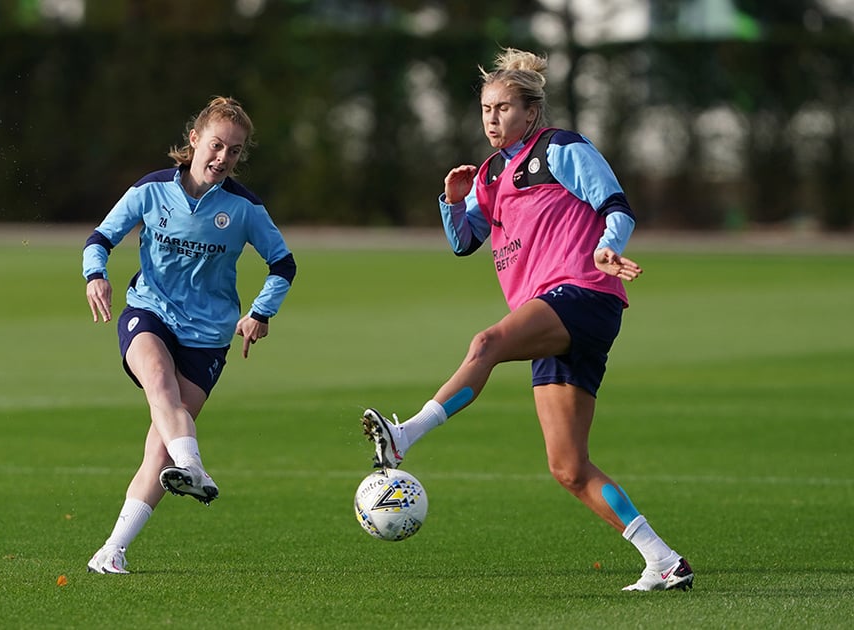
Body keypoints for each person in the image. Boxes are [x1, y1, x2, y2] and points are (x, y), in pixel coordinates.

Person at [360, 48, 693, 592]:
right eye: (486, 109)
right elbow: (465, 243)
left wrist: (607, 249)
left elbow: (617, 206)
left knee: (486, 342)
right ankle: (661, 559)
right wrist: (452, 201)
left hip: (583, 295)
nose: (492, 119)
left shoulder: (560, 148)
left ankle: (405, 435)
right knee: (567, 467)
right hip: (551, 313)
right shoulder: (490, 174)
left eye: (504, 108)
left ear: (531, 111)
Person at [83, 96, 296, 574]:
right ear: (195, 139)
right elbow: (101, 237)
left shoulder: (243, 208)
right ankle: (195, 468)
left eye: (235, 151)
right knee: (158, 382)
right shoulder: (152, 190)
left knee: (160, 450)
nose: (223, 158)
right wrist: (96, 274)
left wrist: (262, 312)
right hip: (149, 311)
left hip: (208, 335)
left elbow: (282, 264)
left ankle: (111, 550)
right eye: (217, 145)